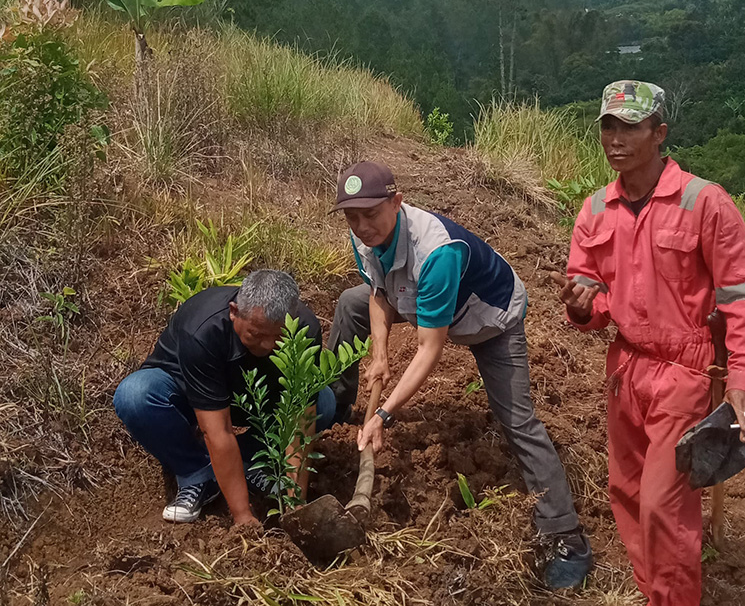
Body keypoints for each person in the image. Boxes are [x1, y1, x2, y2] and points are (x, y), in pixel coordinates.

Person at [327, 161, 592, 589]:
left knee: (517, 421)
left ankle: (564, 533)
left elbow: (430, 349)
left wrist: (385, 415)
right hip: (413, 296)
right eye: (351, 217)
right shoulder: (365, 236)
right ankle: (334, 409)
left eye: (371, 214)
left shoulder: (437, 251)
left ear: (397, 203)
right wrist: (379, 354)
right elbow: (378, 292)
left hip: (489, 318)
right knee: (350, 303)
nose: (361, 226)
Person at [553, 80, 745, 606]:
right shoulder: (595, 211)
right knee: (628, 493)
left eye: (631, 127)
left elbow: (739, 298)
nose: (615, 138)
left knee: (665, 506)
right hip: (626, 370)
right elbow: (591, 300)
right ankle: (655, 590)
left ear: (659, 133)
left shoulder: (704, 204)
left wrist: (742, 379)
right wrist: (580, 305)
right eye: (608, 126)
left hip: (686, 373)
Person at [113, 270, 335, 527]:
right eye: (257, 334)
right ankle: (197, 473)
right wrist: (243, 517)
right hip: (188, 395)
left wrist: (296, 504)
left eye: (279, 336)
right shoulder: (202, 329)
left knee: (324, 402)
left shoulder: (304, 330)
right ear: (234, 311)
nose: (268, 346)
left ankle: (248, 461)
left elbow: (300, 421)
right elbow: (217, 430)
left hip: (252, 396)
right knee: (135, 395)